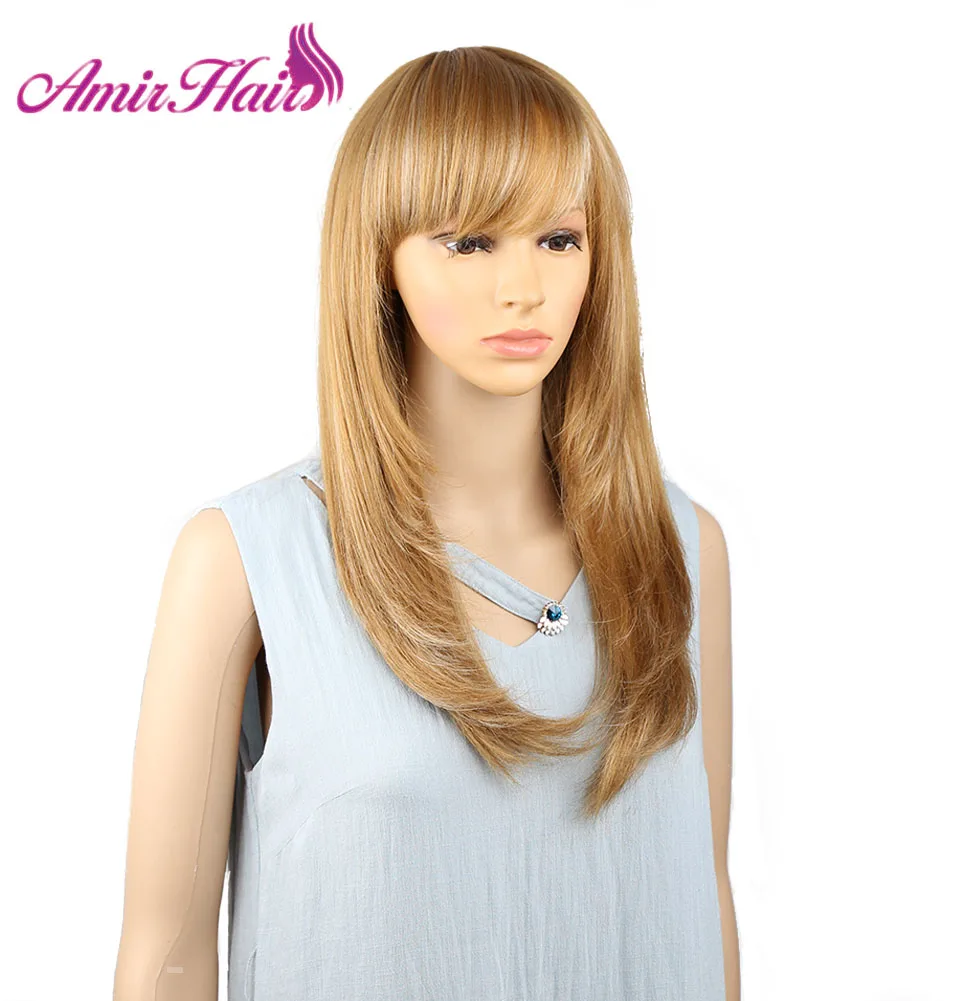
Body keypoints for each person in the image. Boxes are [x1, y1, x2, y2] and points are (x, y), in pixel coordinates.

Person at [112, 45, 740, 1001]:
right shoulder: (248, 559)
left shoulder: (682, 549)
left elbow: (704, 902)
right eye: (470, 242)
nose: (522, 287)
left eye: (558, 239)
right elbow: (165, 953)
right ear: (380, 258)